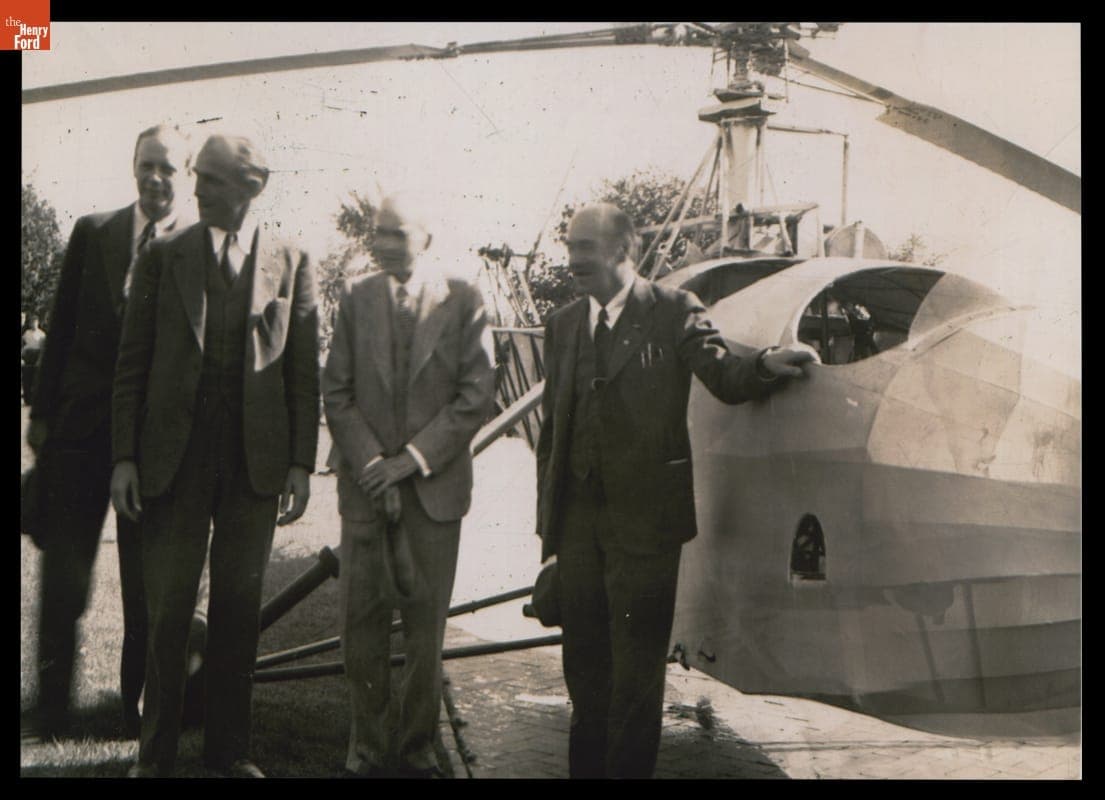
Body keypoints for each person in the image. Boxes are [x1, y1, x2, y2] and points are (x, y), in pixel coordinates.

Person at [535, 203, 815, 778]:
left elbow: (723, 373)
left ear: (622, 250)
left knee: (636, 679)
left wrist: (766, 364)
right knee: (584, 674)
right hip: (579, 530)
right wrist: (552, 539)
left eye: (584, 247)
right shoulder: (562, 325)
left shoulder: (671, 309)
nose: (572, 260)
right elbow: (552, 435)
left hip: (646, 529)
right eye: (570, 246)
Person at [111, 132, 319, 778]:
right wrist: (124, 458)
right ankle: (155, 758)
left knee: (237, 613)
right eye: (196, 176)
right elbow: (132, 363)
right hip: (173, 463)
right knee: (168, 612)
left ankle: (230, 753)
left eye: (211, 180)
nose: (195, 189)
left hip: (254, 468)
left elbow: (302, 373)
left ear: (252, 186)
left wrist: (299, 463)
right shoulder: (163, 255)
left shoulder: (290, 259)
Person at [22, 126, 191, 743]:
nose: (156, 178)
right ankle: (50, 712)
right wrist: (42, 415)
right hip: (79, 435)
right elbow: (62, 324)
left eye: (168, 168)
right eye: (147, 165)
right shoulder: (93, 232)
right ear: (133, 166)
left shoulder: (195, 249)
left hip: (149, 447)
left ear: (186, 175)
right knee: (64, 580)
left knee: (145, 587)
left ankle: (133, 712)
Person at [322, 194, 495, 778]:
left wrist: (414, 459)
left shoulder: (464, 298)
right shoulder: (356, 297)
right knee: (361, 626)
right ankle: (366, 746)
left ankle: (419, 745)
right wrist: (374, 462)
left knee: (426, 631)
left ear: (426, 237)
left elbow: (476, 394)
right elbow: (336, 391)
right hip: (366, 489)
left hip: (434, 491)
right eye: (378, 233)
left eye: (397, 233)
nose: (384, 244)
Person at [21, 314, 46, 404]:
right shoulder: (26, 333)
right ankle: (27, 399)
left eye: (35, 322)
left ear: (37, 323)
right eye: (32, 322)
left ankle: (35, 399)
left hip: (37, 355)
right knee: (26, 377)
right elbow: (23, 344)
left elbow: (43, 348)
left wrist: (39, 359)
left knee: (35, 378)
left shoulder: (42, 334)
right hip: (28, 356)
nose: (33, 324)